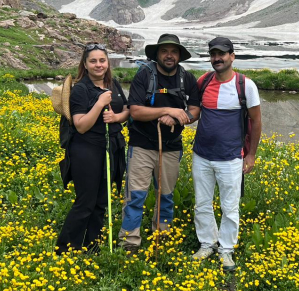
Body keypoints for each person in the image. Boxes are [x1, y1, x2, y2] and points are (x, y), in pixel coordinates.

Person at [118, 34, 201, 252]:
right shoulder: (144, 76)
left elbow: (195, 110)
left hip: (171, 146)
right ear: (157, 54)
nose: (169, 55)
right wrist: (166, 110)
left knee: (165, 195)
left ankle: (162, 239)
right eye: (164, 51)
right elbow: (135, 111)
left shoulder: (187, 79)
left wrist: (178, 117)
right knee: (135, 195)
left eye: (174, 51)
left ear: (179, 55)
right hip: (142, 145)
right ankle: (129, 243)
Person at [191, 37, 262, 271]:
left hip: (231, 157)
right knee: (202, 203)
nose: (217, 58)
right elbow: (194, 112)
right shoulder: (203, 81)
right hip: (202, 155)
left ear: (232, 56)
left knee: (230, 206)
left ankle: (226, 249)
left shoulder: (245, 85)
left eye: (222, 54)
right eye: (213, 54)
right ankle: (206, 244)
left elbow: (256, 120)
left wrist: (250, 155)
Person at [56, 44, 129, 254]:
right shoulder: (80, 89)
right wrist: (99, 104)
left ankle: (91, 245)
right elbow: (80, 125)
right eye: (93, 61)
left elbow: (126, 110)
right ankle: (65, 248)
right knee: (86, 202)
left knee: (100, 201)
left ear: (107, 63)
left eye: (102, 61)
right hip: (86, 150)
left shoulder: (113, 84)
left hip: (110, 148)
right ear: (85, 65)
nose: (99, 65)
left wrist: (116, 117)